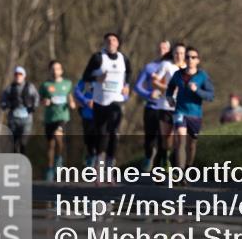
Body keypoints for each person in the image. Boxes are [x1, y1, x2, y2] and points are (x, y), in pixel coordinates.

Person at [80, 32, 132, 168]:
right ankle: (99, 159)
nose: (111, 42)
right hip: (100, 100)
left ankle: (110, 161)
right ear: (104, 43)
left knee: (114, 131)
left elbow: (129, 72)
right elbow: (85, 76)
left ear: (117, 43)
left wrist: (127, 85)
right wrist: (97, 78)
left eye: (113, 40)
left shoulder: (123, 58)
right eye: (108, 40)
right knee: (102, 132)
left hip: (116, 100)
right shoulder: (98, 58)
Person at [166, 47, 214, 171]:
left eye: (193, 57)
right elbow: (170, 87)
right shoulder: (178, 74)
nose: (190, 59)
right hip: (180, 112)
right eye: (187, 57)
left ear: (198, 60)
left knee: (191, 145)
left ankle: (188, 167)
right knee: (180, 142)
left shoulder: (202, 76)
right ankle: (180, 172)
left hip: (195, 114)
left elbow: (210, 96)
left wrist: (197, 90)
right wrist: (169, 97)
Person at [134, 40, 172, 171]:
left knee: (164, 138)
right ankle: (149, 156)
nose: (162, 51)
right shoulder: (149, 67)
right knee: (150, 137)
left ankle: (162, 163)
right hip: (152, 106)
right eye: (160, 48)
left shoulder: (173, 67)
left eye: (165, 48)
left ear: (169, 50)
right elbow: (137, 86)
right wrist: (149, 94)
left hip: (167, 107)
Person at [40, 60, 76, 181]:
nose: (56, 71)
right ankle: (50, 169)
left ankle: (59, 159)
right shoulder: (45, 85)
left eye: (58, 69)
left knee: (58, 135)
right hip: (50, 117)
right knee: (50, 145)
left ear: (61, 70)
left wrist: (72, 103)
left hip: (63, 117)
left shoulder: (67, 84)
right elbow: (41, 99)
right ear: (50, 70)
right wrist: (45, 101)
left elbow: (70, 96)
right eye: (53, 69)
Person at [0, 66, 39, 155]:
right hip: (13, 119)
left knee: (23, 142)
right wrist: (5, 105)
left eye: (20, 74)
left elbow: (36, 97)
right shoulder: (9, 88)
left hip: (27, 119)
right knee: (13, 142)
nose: (18, 76)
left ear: (24, 76)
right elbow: (2, 101)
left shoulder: (30, 87)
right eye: (16, 74)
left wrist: (34, 107)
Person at [73, 78, 99, 167]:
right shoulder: (87, 79)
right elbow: (76, 91)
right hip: (87, 114)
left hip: (102, 115)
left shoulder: (109, 77)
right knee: (88, 140)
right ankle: (90, 157)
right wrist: (86, 101)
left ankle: (97, 162)